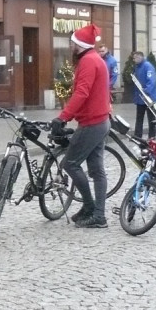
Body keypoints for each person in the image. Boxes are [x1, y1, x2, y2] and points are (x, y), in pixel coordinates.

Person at [52, 23, 110, 229]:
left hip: (92, 122)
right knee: (96, 169)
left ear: (79, 45)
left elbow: (82, 93)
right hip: (100, 120)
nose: (70, 46)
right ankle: (98, 214)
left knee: (71, 164)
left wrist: (63, 117)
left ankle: (90, 207)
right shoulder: (95, 59)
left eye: (72, 43)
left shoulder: (87, 61)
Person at [130, 51, 156, 140]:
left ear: (140, 57)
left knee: (151, 118)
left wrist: (146, 91)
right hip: (140, 97)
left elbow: (151, 80)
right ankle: (137, 135)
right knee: (139, 117)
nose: (134, 60)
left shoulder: (148, 66)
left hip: (149, 97)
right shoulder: (137, 67)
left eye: (135, 58)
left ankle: (152, 135)